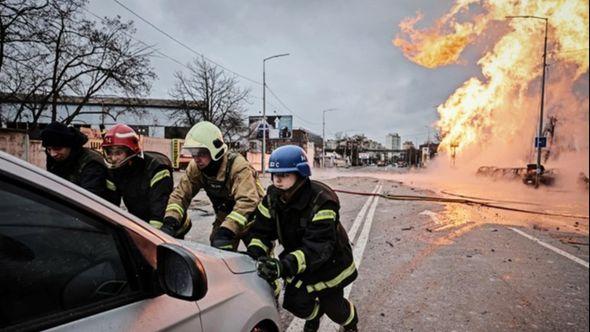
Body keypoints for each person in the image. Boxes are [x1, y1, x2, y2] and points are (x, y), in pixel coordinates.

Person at [247, 145, 359, 332]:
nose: (278, 180)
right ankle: (315, 316)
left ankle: (351, 323)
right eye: (275, 175)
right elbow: (261, 231)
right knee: (294, 303)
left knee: (335, 309)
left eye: (284, 175)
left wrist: (283, 266)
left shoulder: (322, 202)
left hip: (329, 263)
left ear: (300, 174)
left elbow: (318, 248)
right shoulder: (272, 198)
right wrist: (255, 253)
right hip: (299, 260)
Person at [163, 121, 264, 249]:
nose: (197, 158)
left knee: (260, 254)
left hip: (253, 219)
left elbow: (248, 201)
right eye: (193, 153)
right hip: (226, 215)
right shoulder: (196, 168)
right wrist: (170, 221)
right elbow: (180, 195)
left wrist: (227, 230)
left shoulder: (237, 167)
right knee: (218, 249)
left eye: (201, 152)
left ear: (215, 150)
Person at [101, 124, 177, 235]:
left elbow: (158, 212)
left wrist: (151, 238)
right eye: (110, 152)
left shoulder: (156, 169)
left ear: (131, 151)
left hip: (168, 227)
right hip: (141, 225)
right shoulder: (115, 170)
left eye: (118, 153)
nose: (113, 158)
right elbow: (111, 204)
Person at [41, 121, 114, 202]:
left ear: (70, 146)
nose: (52, 154)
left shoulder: (91, 163)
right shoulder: (57, 161)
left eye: (57, 148)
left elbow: (89, 200)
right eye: (49, 149)